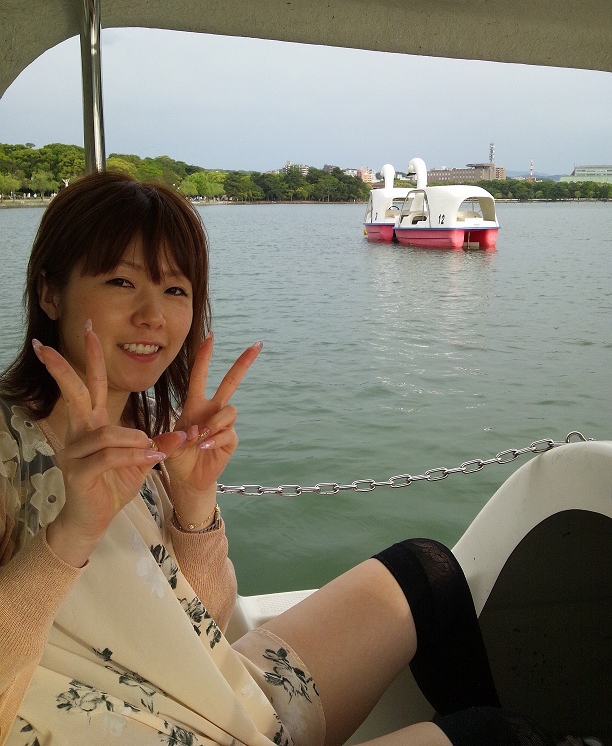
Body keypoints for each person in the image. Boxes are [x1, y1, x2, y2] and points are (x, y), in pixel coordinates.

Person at [0, 171, 582, 746]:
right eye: (122, 281)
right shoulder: (9, 451)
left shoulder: (140, 436)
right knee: (493, 737)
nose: (153, 315)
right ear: (50, 291)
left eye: (175, 290)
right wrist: (70, 537)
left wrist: (194, 501)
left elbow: (203, 624)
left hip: (208, 696)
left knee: (426, 572)